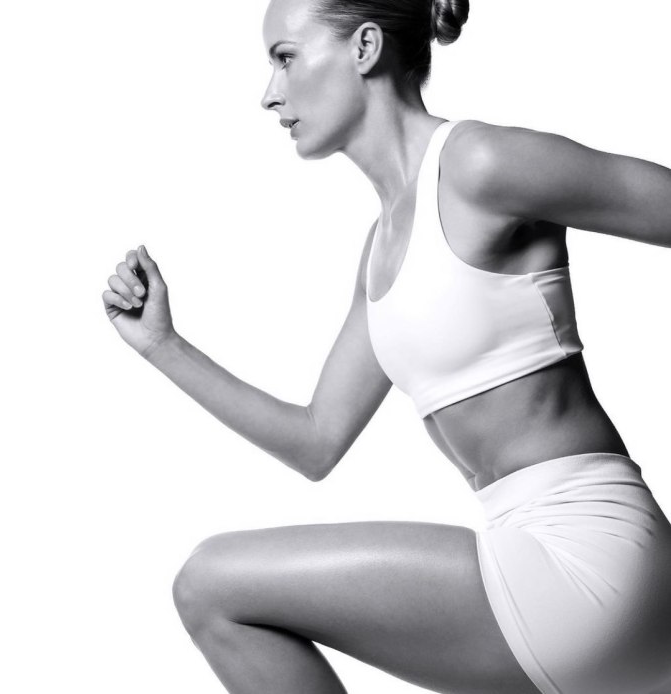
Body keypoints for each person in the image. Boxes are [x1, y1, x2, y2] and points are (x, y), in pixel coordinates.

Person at [101, 0, 671, 692]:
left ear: (365, 47)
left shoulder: (480, 163)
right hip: (540, 562)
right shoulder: (382, 249)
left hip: (590, 556)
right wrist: (162, 345)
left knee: (210, 585)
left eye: (285, 58)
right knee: (212, 592)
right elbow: (316, 440)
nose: (269, 94)